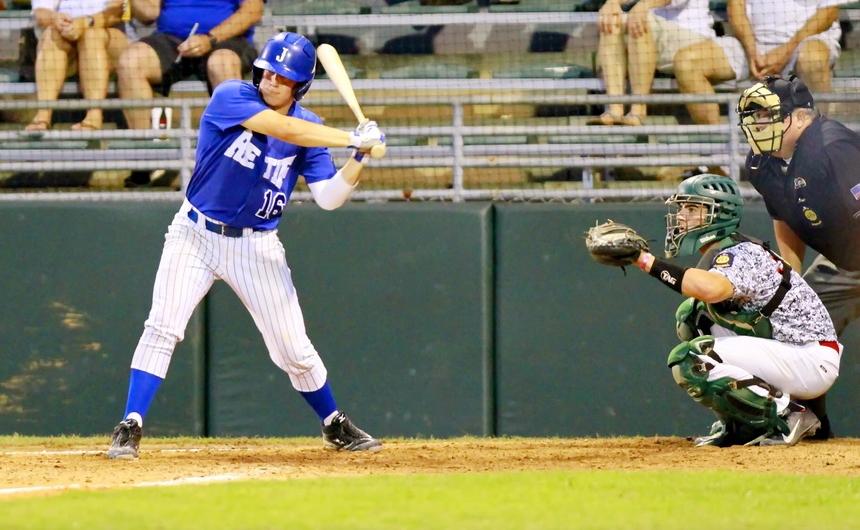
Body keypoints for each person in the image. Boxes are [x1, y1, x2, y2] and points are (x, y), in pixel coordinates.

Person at [107, 31, 387, 459]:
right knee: (162, 326)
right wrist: (352, 138)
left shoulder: (311, 129)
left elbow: (330, 198)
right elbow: (282, 127)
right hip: (195, 233)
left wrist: (359, 157)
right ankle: (130, 423)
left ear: (300, 86)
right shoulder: (232, 96)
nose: (271, 80)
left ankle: (333, 423)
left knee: (293, 348)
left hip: (256, 246)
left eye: (283, 76)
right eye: (267, 71)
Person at [632, 174, 841, 446]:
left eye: (692, 208)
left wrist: (645, 260)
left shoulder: (739, 253)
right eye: (681, 208)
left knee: (693, 359)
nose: (681, 216)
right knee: (693, 316)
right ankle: (743, 424)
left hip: (809, 360)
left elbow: (711, 289)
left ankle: (789, 415)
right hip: (795, 354)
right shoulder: (730, 249)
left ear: (719, 214)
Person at [737, 74, 860, 440]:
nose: (759, 125)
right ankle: (810, 424)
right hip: (843, 263)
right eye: (755, 117)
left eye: (768, 116)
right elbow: (785, 219)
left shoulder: (832, 148)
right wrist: (791, 285)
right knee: (799, 324)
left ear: (802, 117)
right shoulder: (761, 164)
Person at [119, 0, 264, 187]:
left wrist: (210, 39)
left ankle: (235, 161)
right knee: (131, 61)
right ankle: (144, 158)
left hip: (226, 39)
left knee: (221, 64)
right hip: (172, 39)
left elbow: (252, 11)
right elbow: (149, 15)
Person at [588, 0, 745, 128]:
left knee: (642, 20)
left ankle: (637, 111)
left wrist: (643, 5)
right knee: (612, 19)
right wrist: (612, 3)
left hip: (692, 38)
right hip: (651, 38)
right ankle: (614, 109)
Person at [23, 0, 135, 132]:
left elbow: (118, 11)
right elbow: (41, 13)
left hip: (110, 39)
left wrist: (86, 22)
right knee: (50, 33)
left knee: (91, 35)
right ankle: (43, 116)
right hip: (67, 40)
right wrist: (56, 19)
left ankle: (94, 116)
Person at [727, 0, 852, 113]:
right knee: (713, 62)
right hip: (752, 44)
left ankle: (817, 128)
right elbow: (735, 7)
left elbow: (829, 12)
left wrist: (786, 50)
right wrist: (752, 51)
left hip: (807, 39)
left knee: (812, 59)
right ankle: (716, 130)